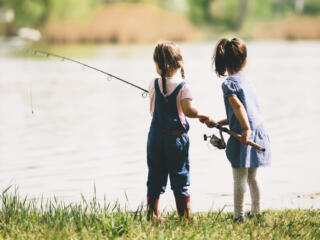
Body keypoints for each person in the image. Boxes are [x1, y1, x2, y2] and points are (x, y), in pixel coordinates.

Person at [204, 37, 271, 222]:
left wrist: (245, 130)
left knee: (239, 178)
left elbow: (238, 108)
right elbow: (241, 111)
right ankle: (256, 212)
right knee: (252, 178)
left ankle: (238, 217)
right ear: (245, 60)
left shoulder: (229, 84)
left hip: (245, 134)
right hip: (257, 132)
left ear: (225, 63)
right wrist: (219, 122)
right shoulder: (247, 81)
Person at [147, 41, 208, 222]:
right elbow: (189, 112)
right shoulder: (183, 87)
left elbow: (152, 112)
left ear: (159, 64)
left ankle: (152, 215)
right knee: (180, 176)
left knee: (155, 176)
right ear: (177, 63)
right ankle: (184, 217)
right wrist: (203, 116)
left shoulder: (153, 84)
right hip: (176, 141)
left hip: (155, 139)